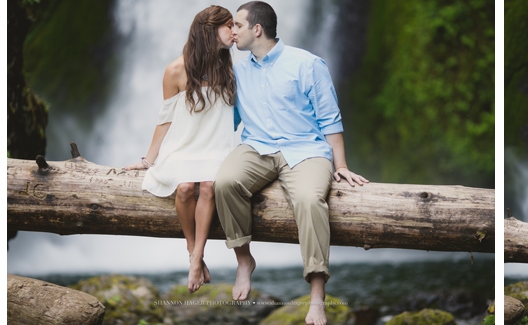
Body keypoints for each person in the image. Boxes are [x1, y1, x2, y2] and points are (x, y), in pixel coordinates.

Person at [214, 2, 368, 324]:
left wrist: (340, 165)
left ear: (257, 29)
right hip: (257, 147)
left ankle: (317, 294)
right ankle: (244, 260)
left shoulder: (308, 64)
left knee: (310, 200)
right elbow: (227, 122)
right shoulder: (237, 71)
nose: (233, 32)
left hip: (305, 150)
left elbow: (330, 119)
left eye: (238, 25)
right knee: (225, 182)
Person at [122, 5, 237, 294]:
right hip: (184, 145)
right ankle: (192, 251)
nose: (235, 31)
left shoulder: (229, 65)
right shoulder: (175, 70)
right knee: (184, 187)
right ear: (211, 31)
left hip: (217, 145)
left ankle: (197, 258)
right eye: (229, 26)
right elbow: (165, 119)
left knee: (208, 186)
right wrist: (148, 160)